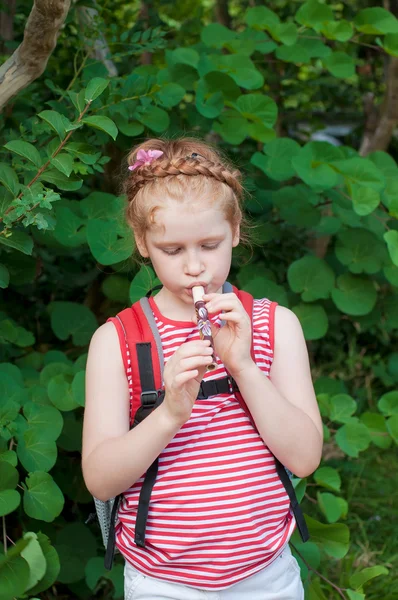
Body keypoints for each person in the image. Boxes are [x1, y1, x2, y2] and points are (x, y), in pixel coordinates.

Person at [82, 137, 323, 600]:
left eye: (210, 245)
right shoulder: (117, 342)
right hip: (161, 581)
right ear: (142, 244)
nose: (195, 267)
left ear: (234, 230)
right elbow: (101, 478)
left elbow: (305, 457)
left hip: (266, 574)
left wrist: (245, 368)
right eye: (172, 250)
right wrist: (171, 412)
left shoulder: (277, 325)